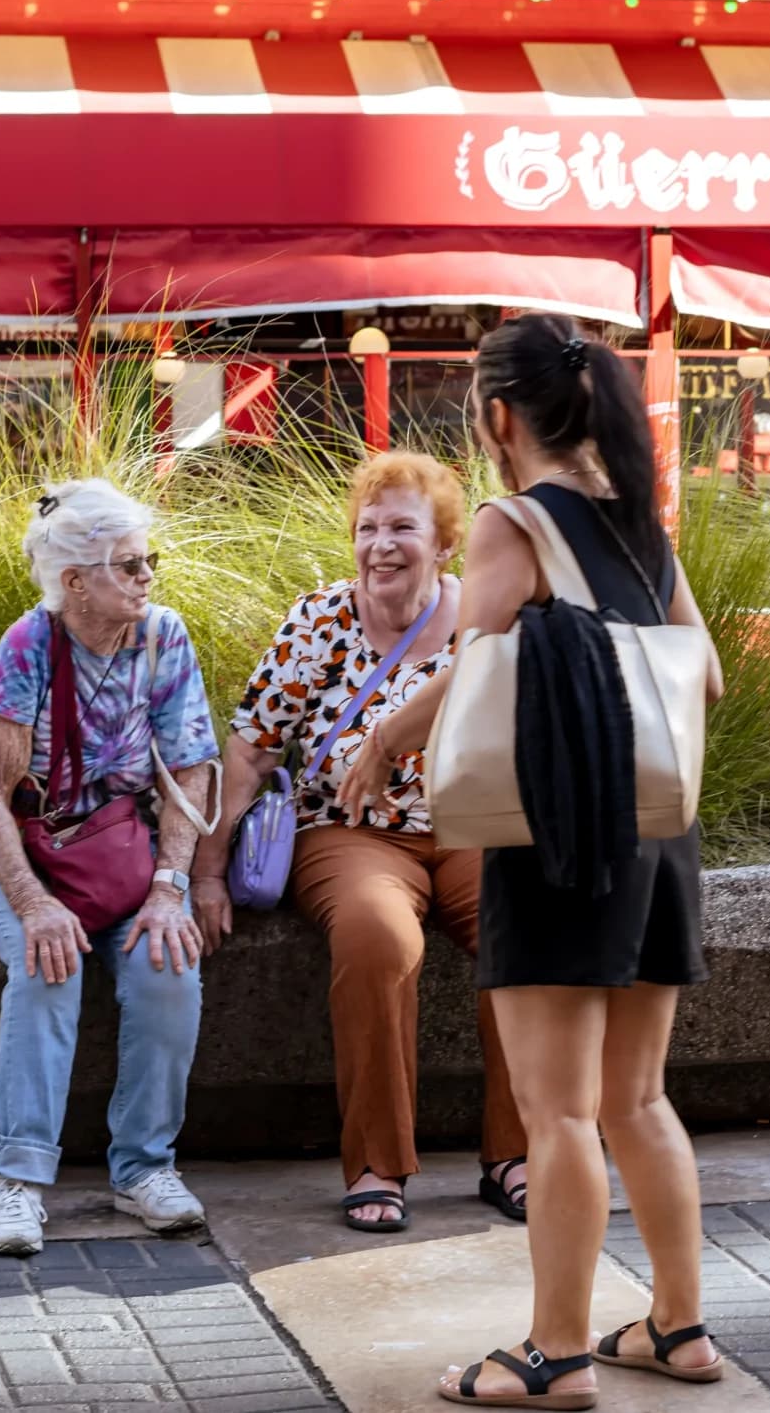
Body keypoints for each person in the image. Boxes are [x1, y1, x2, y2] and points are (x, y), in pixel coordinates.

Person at [338, 315, 725, 1408]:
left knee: (556, 1113)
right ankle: (679, 1329)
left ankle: (551, 1354)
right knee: (637, 1099)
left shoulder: (513, 524)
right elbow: (705, 684)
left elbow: (473, 674)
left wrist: (381, 739)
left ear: (498, 417)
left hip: (560, 833)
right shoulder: (639, 525)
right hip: (659, 836)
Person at [191, 451, 527, 1233]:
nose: (381, 544)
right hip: (350, 830)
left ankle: (517, 1151)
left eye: (402, 527)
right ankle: (378, 1161)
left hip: (473, 825)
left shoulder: (483, 617)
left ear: (443, 543)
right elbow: (249, 751)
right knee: (378, 936)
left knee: (528, 927)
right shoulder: (319, 620)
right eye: (368, 527)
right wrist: (206, 873)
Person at [0, 479, 220, 1257]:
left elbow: (190, 769)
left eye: (149, 561)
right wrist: (34, 904)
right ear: (73, 582)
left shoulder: (162, 637)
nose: (146, 577)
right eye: (127, 564)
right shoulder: (29, 645)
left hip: (110, 844)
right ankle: (20, 1177)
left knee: (168, 963)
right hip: (15, 842)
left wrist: (171, 887)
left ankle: (144, 1169)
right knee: (50, 962)